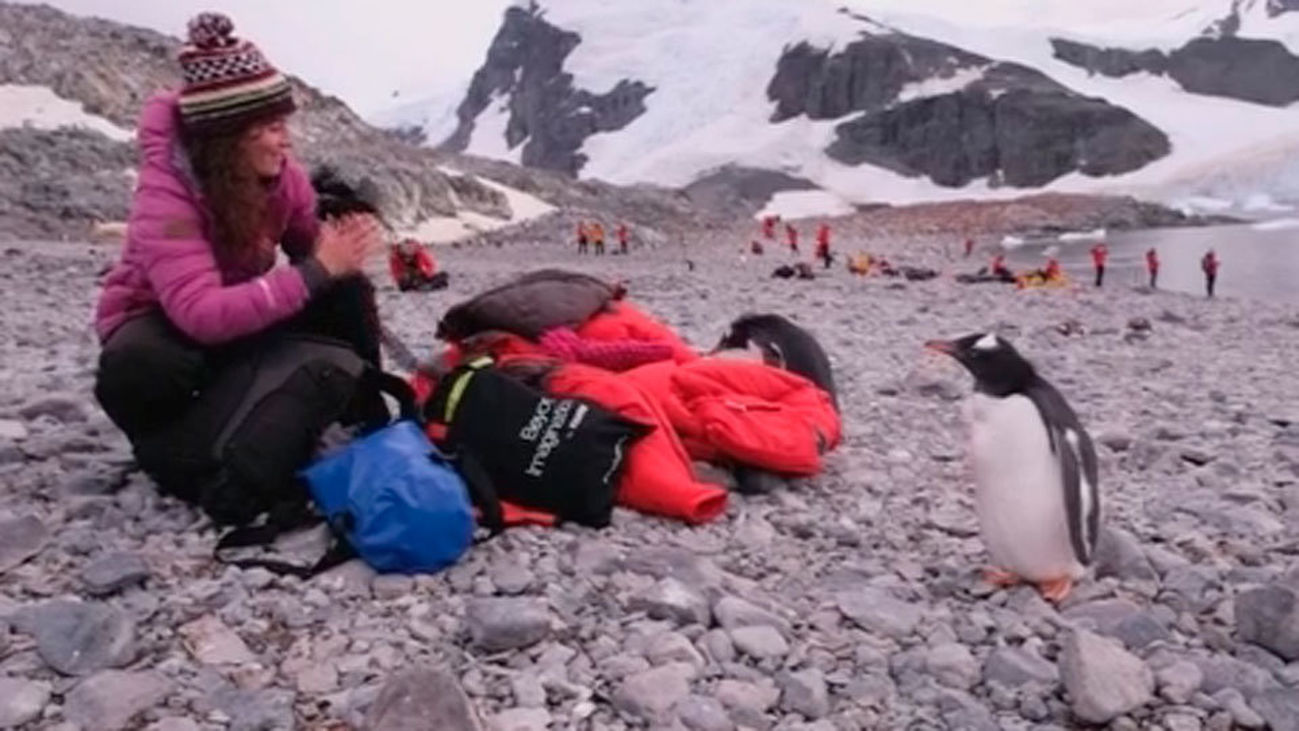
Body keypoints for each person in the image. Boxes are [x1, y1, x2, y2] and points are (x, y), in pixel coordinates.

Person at [93, 14, 383, 471]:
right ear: (228, 141)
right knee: (141, 363)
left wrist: (341, 240)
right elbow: (201, 315)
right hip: (164, 323)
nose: (286, 141)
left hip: (232, 317)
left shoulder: (282, 178)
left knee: (346, 290)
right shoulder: (167, 195)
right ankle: (172, 446)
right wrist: (317, 269)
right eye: (271, 128)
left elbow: (309, 248)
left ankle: (368, 416)